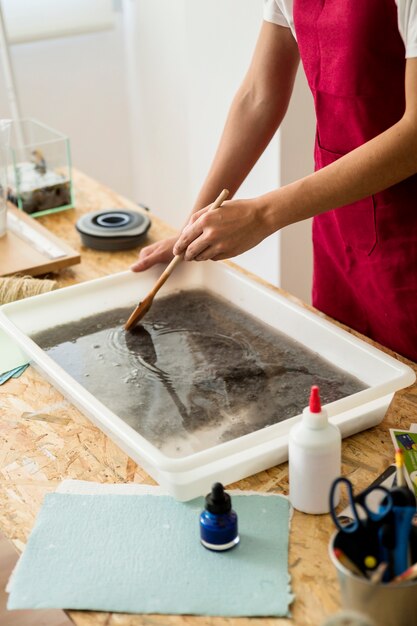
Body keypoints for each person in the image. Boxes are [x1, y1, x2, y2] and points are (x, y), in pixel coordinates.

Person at [131, 0, 417, 362]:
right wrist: (195, 226)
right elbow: (258, 98)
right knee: (345, 374)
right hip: (339, 227)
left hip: (409, 234)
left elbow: (414, 136)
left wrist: (263, 215)